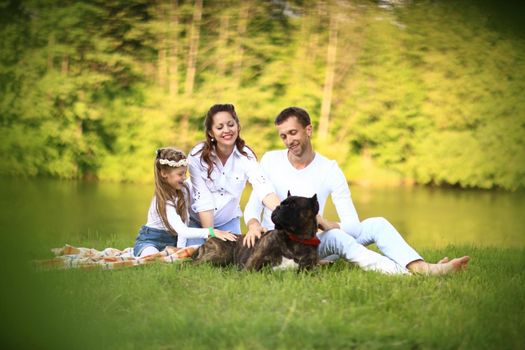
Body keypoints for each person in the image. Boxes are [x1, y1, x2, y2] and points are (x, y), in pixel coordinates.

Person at [243, 107, 470, 275]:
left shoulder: (329, 169)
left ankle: (419, 266)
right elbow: (254, 204)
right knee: (339, 239)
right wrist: (253, 224)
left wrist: (321, 221)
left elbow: (353, 225)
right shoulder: (271, 161)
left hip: (313, 241)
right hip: (281, 245)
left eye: (293, 133)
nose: (288, 140)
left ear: (308, 130)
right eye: (283, 136)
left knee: (377, 224)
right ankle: (417, 275)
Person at [186, 104, 281, 246]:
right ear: (211, 133)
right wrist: (211, 236)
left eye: (231, 124)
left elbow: (263, 188)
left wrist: (285, 213)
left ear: (237, 126)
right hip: (198, 222)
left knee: (235, 261)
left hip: (228, 222)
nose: (227, 130)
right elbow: (203, 199)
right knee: (195, 255)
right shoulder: (197, 156)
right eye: (220, 127)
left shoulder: (246, 155)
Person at [133, 147, 237, 257]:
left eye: (185, 173)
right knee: (152, 258)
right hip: (151, 239)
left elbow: (184, 225)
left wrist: (180, 249)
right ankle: (148, 252)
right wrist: (212, 231)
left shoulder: (183, 190)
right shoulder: (163, 200)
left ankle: (168, 253)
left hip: (171, 241)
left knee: (180, 256)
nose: (184, 177)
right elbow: (182, 230)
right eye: (180, 174)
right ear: (164, 173)